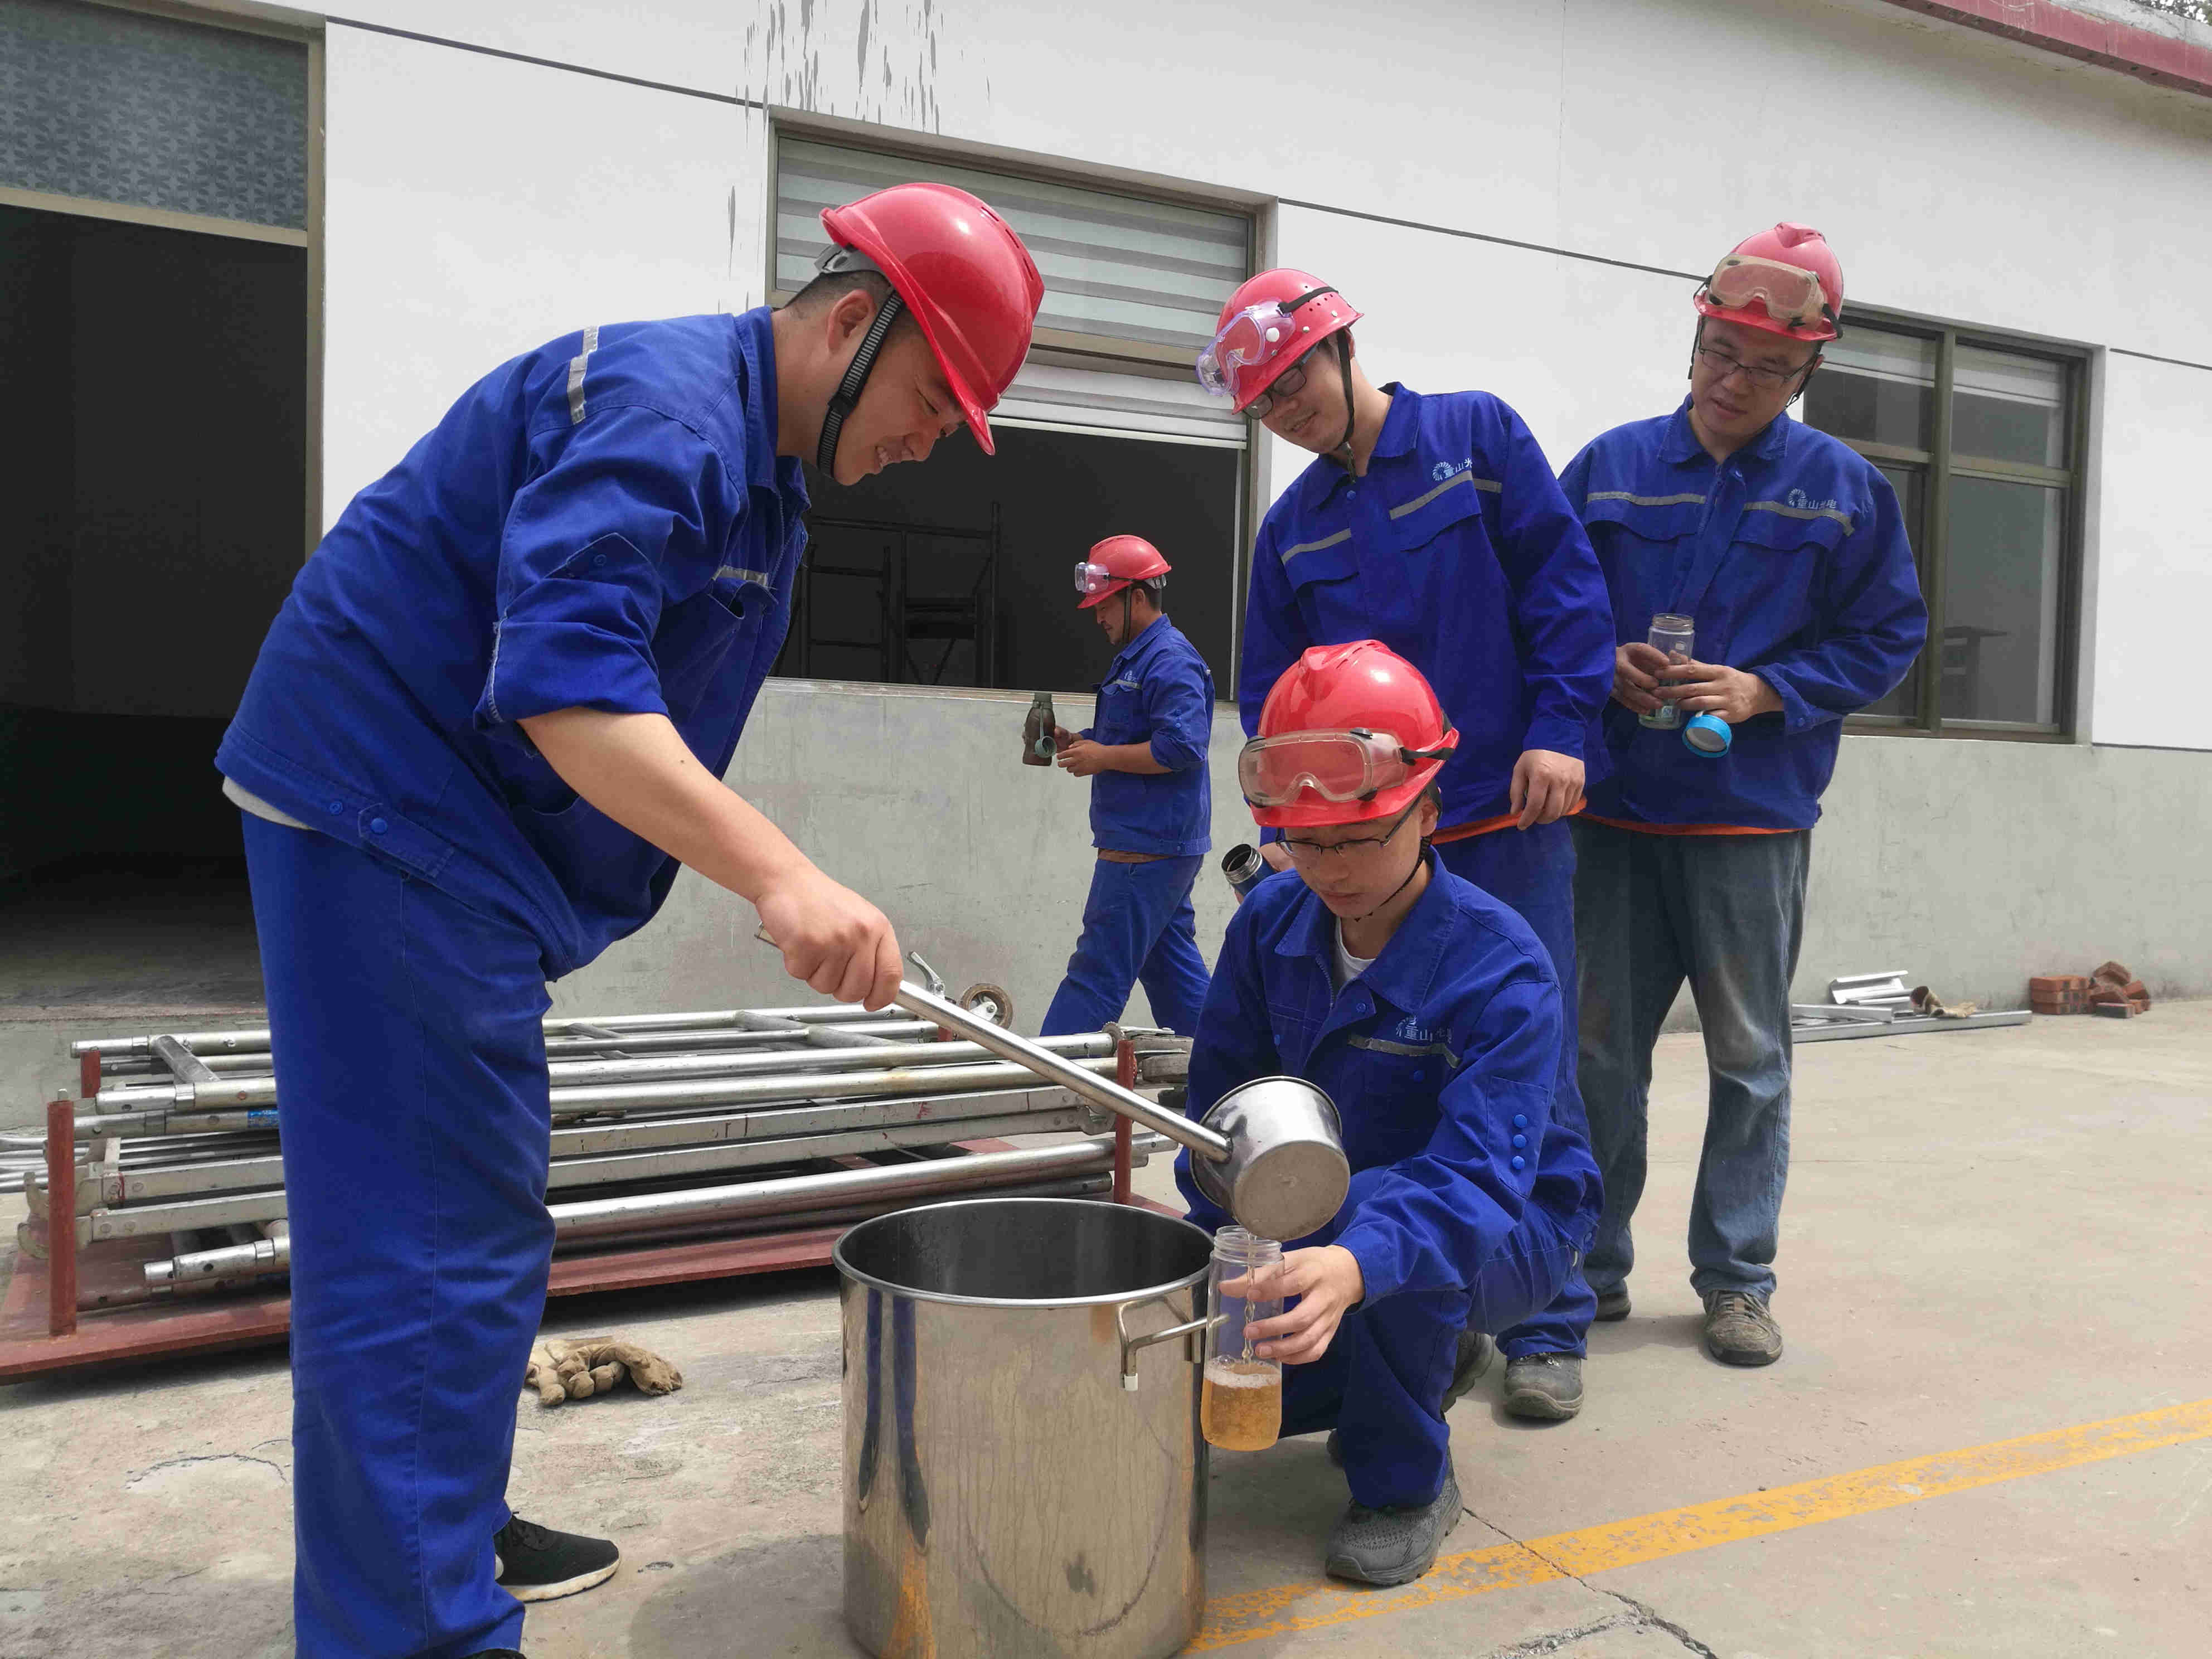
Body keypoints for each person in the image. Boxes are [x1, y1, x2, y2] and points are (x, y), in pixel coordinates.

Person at [215, 183, 1041, 1658]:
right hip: (382, 810)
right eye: (931, 399)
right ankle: (411, 1627)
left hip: (457, 841)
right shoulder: (665, 409)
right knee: (422, 1246)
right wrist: (782, 876)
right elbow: (567, 687)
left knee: (475, 1219)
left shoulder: (764, 476)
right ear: (853, 322)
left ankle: (442, 1531)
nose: (928, 442)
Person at [1198, 270, 1616, 1422]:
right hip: (1362, 841)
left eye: (1293, 382)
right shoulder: (1292, 529)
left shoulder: (1473, 440)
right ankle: (1408, 1285)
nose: (1285, 411)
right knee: (1363, 1070)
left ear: (1342, 348)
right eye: (1262, 403)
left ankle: (1543, 1317)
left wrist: (1561, 727)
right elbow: (1268, 690)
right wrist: (1288, 833)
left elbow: (1563, 586)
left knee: (1532, 1066)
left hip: (1501, 816)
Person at [1558, 222, 1925, 1368]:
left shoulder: (1844, 493)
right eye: (1719, 351)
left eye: (1766, 365)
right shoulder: (1609, 468)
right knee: (1595, 1055)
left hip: (1747, 821)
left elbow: (1887, 636)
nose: (1733, 380)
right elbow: (1543, 601)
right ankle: (1582, 1270)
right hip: (1614, 816)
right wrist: (1599, 662)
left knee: (1749, 1058)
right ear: (1694, 340)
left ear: (1806, 369)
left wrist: (1767, 690)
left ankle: (1734, 1280)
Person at [1176, 641, 1600, 1587]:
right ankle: (1416, 1354)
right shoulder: (1268, 926)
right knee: (1237, 1397)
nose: (1332, 869)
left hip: (1511, 1218)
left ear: (1429, 811)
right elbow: (1220, 1115)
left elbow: (1477, 1175)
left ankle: (1406, 1486)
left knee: (1387, 1227)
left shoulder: (1501, 966)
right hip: (1332, 1204)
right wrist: (1221, 1254)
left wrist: (1353, 1264)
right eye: (1308, 842)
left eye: (1361, 837)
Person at [1039, 536, 1215, 1037]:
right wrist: (1082, 742)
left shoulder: (1170, 659)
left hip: (1146, 847)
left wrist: (1104, 757)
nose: (1097, 617)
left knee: (1096, 972)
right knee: (1172, 973)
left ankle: (1044, 1073)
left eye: (1103, 605)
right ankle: (1224, 1068)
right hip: (1156, 843)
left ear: (1137, 597)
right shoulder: (1140, 657)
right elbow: (1137, 735)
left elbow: (1182, 748)